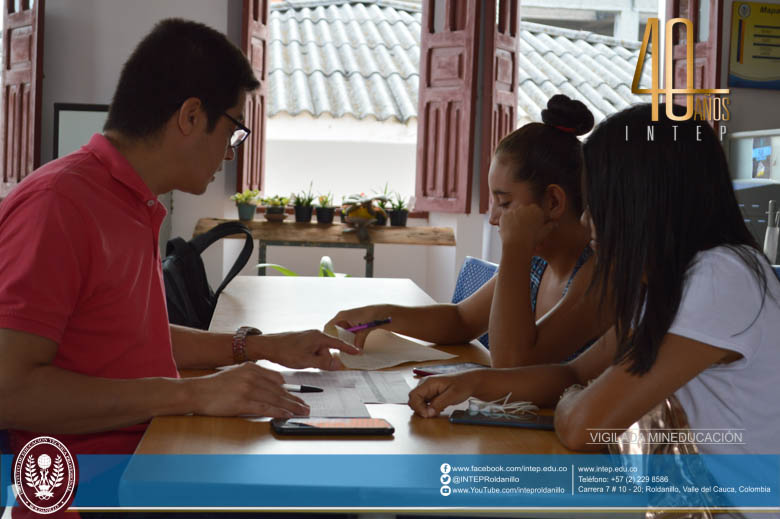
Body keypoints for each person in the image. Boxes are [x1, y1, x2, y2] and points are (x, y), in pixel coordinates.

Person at [0, 18, 358, 458]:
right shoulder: (59, 205)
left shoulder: (131, 200)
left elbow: (129, 338)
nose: (230, 153)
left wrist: (260, 346)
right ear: (191, 116)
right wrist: (193, 394)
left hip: (151, 452)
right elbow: (10, 393)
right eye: (232, 132)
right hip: (92, 491)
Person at [408, 103, 780, 459]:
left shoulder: (720, 277)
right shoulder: (667, 283)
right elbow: (573, 373)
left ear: (643, 203)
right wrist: (474, 383)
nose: (586, 222)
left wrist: (574, 397)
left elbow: (582, 426)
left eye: (599, 202)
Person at [327, 95, 612, 367]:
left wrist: (514, 250)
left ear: (553, 201)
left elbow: (511, 362)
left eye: (505, 202)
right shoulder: (539, 262)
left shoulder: (597, 277)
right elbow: (461, 320)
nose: (493, 218)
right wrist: (379, 315)